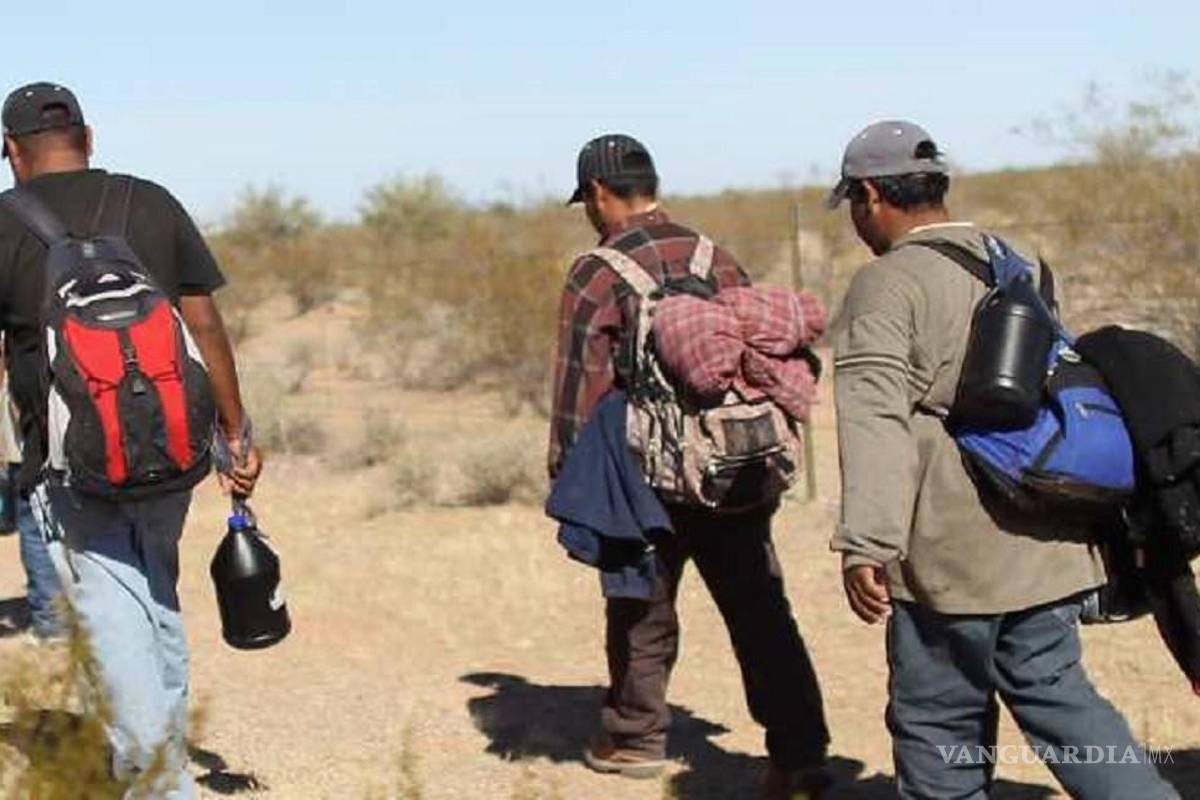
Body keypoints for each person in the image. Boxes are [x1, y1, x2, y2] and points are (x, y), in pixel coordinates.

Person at [828, 119, 1180, 800]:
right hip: (1046, 535)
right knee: (1065, 704)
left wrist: (867, 542)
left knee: (939, 724)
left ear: (870, 195)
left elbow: (874, 419)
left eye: (853, 203)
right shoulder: (1019, 260)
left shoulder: (887, 284)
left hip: (951, 555)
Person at [0, 82, 263, 798]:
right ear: (87, 138)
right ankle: (154, 764)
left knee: (113, 617)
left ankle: (157, 783)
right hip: (172, 449)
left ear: (11, 150)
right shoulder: (150, 202)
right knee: (154, 599)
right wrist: (235, 434)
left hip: (69, 466)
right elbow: (204, 324)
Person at [550, 133, 830, 799]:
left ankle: (635, 737)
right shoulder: (714, 255)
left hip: (646, 471)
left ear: (598, 194)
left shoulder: (596, 272)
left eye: (586, 201)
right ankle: (799, 754)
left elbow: (579, 387)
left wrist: (570, 475)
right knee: (760, 610)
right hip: (733, 464)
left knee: (640, 603)